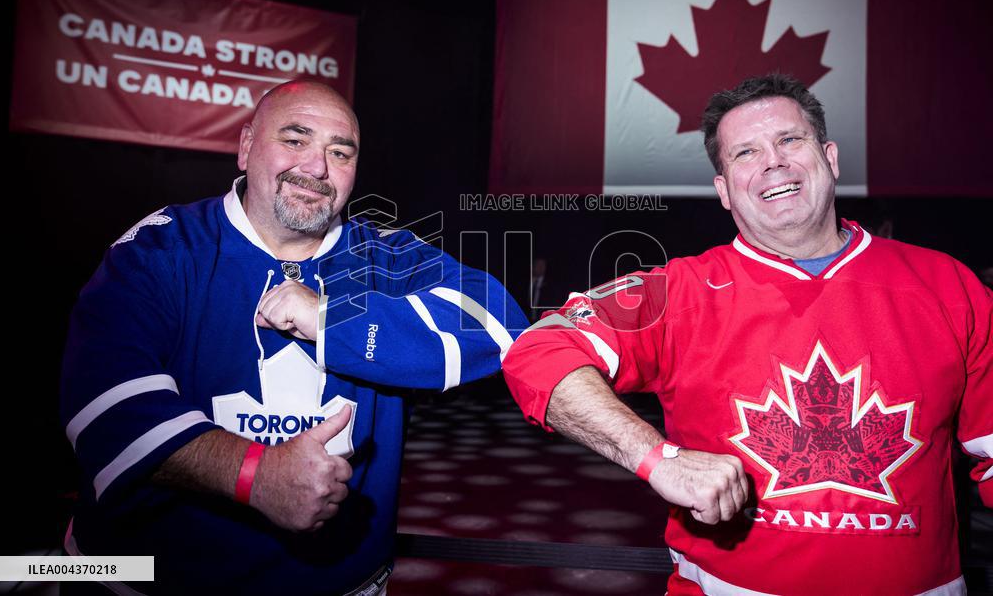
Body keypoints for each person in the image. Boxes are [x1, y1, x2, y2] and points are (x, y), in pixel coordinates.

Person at [502, 74, 991, 595]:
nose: (773, 162)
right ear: (724, 191)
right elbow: (539, 350)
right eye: (745, 153)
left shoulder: (948, 286)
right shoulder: (678, 291)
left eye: (789, 140)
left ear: (830, 158)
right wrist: (658, 458)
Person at [60, 79, 526, 595]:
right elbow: (105, 407)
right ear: (246, 147)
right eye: (295, 139)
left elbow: (498, 326)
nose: (317, 167)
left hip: (340, 584)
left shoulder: (386, 255)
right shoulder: (162, 248)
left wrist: (332, 319)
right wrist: (254, 475)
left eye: (340, 152)